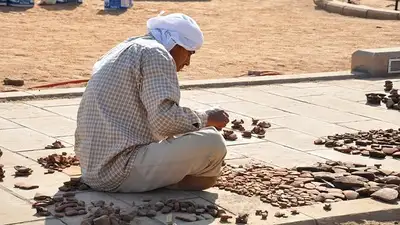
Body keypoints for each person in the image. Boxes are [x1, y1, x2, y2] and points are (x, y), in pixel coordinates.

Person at [74, 12, 230, 193]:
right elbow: (165, 121)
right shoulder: (156, 54)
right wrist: (207, 118)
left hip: (93, 166)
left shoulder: (128, 46)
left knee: (189, 131)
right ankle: (174, 184)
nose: (187, 62)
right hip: (117, 170)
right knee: (213, 143)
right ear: (175, 44)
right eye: (189, 53)